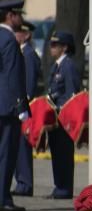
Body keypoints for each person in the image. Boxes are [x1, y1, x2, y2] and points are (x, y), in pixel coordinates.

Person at [0, 0, 28, 211]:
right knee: (6, 154)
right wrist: (20, 106)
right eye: (18, 14)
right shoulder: (9, 39)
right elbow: (12, 76)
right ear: (10, 16)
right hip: (7, 107)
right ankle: (2, 198)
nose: (21, 18)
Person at [46, 31, 81, 200]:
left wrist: (60, 109)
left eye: (55, 45)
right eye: (51, 44)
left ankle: (65, 187)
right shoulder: (57, 66)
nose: (51, 48)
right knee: (56, 153)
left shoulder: (68, 66)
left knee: (64, 154)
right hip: (54, 117)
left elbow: (72, 94)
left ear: (64, 47)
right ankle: (59, 185)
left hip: (63, 118)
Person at [13, 20, 41, 198]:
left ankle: (25, 183)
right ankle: (21, 182)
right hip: (19, 105)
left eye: (18, 32)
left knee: (23, 146)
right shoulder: (21, 52)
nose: (15, 35)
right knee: (18, 147)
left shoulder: (28, 54)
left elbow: (29, 84)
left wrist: (25, 103)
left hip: (25, 106)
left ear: (26, 34)